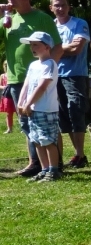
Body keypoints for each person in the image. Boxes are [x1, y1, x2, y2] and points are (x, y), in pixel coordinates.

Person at [1, 0, 63, 177]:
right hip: (17, 76)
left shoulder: (42, 18)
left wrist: (49, 69)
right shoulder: (8, 20)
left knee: (47, 121)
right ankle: (36, 164)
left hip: (41, 79)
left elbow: (58, 46)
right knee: (27, 122)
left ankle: (56, 164)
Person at [50, 0, 90, 168]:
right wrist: (61, 49)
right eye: (57, 5)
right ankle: (78, 154)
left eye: (63, 5)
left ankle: (80, 154)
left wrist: (55, 50)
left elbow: (76, 49)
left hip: (75, 74)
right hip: (54, 75)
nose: (60, 8)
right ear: (51, 8)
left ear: (69, 6)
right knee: (64, 115)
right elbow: (42, 50)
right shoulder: (50, 26)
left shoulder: (79, 23)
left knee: (76, 110)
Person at [16, 32, 60, 182]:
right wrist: (21, 102)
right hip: (32, 109)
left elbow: (42, 87)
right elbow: (27, 85)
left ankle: (53, 170)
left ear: (47, 47)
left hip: (45, 109)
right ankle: (44, 169)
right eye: (31, 45)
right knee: (36, 140)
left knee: (48, 140)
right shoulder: (33, 65)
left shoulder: (50, 64)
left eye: (36, 44)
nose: (32, 48)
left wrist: (28, 103)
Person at [1, 66, 14, 133]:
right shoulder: (2, 76)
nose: (6, 67)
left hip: (14, 93)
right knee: (8, 112)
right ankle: (9, 128)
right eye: (5, 66)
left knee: (19, 111)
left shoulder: (14, 74)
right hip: (7, 95)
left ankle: (22, 128)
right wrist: (4, 87)